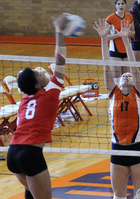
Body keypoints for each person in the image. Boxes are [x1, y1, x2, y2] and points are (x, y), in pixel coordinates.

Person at [6, 14, 67, 199]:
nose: (41, 72)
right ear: (37, 85)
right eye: (37, 74)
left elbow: (25, 81)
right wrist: (59, 31)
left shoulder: (25, 98)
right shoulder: (51, 93)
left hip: (13, 153)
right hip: (30, 154)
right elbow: (60, 59)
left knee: (31, 195)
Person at [94, 19, 140, 199]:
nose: (126, 76)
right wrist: (104, 39)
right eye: (123, 75)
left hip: (137, 148)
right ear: (118, 81)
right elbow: (106, 66)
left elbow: (133, 68)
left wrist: (126, 40)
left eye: (129, 76)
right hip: (117, 150)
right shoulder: (113, 93)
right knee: (118, 196)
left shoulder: (139, 92)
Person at [105, 0, 136, 86]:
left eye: (122, 3)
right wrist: (119, 35)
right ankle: (117, 97)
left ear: (125, 5)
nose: (121, 5)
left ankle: (126, 95)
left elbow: (133, 32)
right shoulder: (110, 18)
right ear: (115, 5)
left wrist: (127, 33)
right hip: (115, 51)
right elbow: (105, 36)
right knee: (116, 76)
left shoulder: (130, 16)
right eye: (118, 4)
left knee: (126, 76)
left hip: (127, 50)